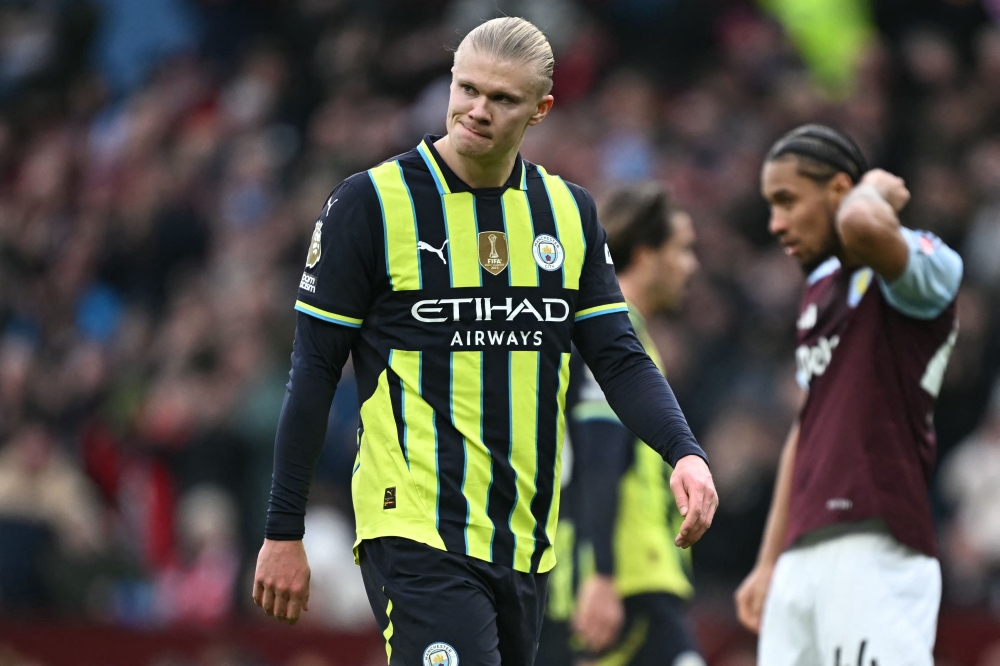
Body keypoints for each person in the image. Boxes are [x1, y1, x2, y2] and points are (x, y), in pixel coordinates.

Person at [252, 17, 718, 666]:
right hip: (414, 523)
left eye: (502, 99)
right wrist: (283, 529)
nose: (477, 110)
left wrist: (684, 453)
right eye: (467, 89)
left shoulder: (567, 214)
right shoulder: (372, 204)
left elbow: (619, 356)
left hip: (524, 539)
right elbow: (312, 371)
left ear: (540, 110)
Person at [734, 124, 962, 665]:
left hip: (875, 545)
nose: (776, 223)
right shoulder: (818, 290)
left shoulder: (926, 263)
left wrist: (875, 189)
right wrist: (769, 561)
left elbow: (862, 225)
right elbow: (807, 426)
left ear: (839, 189)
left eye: (787, 200)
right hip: (801, 555)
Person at [536, 183, 706, 666]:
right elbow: (598, 458)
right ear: (647, 254)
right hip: (629, 580)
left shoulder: (630, 338)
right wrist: (602, 575)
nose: (692, 266)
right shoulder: (614, 339)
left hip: (643, 574)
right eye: (683, 250)